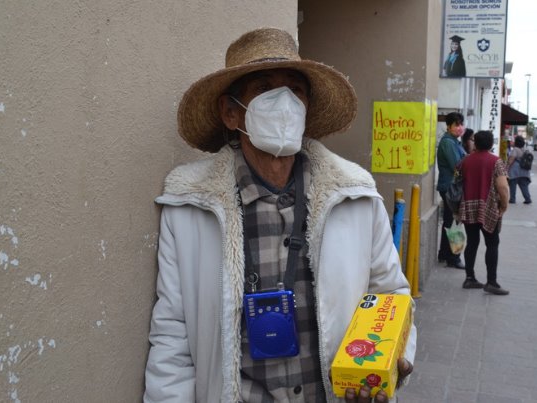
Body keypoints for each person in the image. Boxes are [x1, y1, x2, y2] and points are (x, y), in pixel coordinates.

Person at [144, 28, 416, 402]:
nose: (284, 102)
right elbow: (172, 334)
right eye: (265, 88)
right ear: (229, 112)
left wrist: (389, 362)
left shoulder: (355, 195)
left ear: (306, 109)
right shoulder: (190, 207)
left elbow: (390, 295)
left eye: (295, 89)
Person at [458, 131, 510, 295]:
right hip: (488, 207)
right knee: (492, 243)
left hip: (468, 205)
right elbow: (502, 186)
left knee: (472, 243)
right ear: (491, 144)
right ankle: (491, 282)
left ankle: (469, 278)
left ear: (476, 143)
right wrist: (504, 205)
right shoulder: (496, 161)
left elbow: (458, 181)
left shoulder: (465, 160)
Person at [436, 112, 467, 269]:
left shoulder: (454, 141)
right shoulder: (448, 143)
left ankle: (444, 254)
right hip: (451, 188)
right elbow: (458, 164)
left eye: (461, 124)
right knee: (455, 222)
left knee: (449, 221)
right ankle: (454, 258)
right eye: (456, 125)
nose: (460, 128)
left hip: (450, 187)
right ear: (448, 126)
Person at [506, 135, 532, 204]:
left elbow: (511, 160)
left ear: (516, 142)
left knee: (512, 185)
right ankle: (528, 199)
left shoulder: (515, 150)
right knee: (524, 186)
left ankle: (512, 199)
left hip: (515, 171)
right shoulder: (526, 150)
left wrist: (507, 167)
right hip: (524, 171)